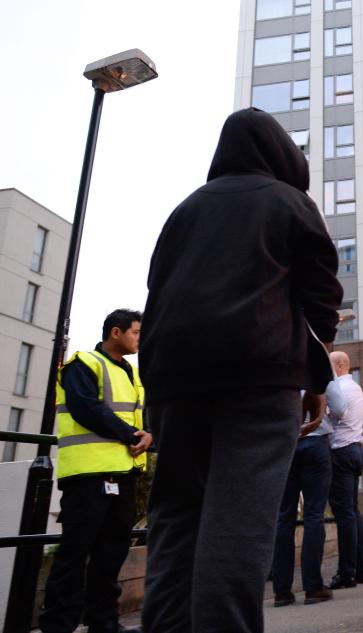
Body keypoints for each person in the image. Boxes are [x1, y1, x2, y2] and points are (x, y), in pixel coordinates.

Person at [140, 108, 342, 633]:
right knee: (241, 517)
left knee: (176, 517)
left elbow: (156, 293)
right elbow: (320, 302)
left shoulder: (184, 210)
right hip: (259, 373)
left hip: (173, 380)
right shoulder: (290, 203)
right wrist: (316, 380)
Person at [40, 310, 151, 633]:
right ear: (115, 332)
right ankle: (58, 625)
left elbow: (143, 418)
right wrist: (132, 436)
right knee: (75, 553)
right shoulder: (83, 363)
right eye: (136, 333)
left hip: (125, 473)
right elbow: (85, 407)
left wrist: (149, 435)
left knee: (111, 554)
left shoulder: (133, 374)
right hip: (88, 475)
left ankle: (104, 624)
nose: (140, 339)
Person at [271, 390, 335, 607]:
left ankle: (281, 591)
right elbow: (341, 407)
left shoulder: (275, 363)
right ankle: (313, 587)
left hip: (285, 445)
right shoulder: (317, 362)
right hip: (315, 442)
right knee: (314, 515)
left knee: (283, 517)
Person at [326, 350, 363, 588]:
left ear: (340, 365)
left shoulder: (340, 389)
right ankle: (362, 569)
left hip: (340, 452)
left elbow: (336, 413)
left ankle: (347, 573)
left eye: (330, 364)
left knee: (344, 514)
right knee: (353, 512)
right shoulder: (355, 387)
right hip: (355, 449)